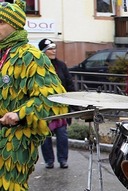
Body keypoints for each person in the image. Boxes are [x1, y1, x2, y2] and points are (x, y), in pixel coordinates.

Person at [0, 1, 68, 190]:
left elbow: (53, 99)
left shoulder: (32, 56)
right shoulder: (2, 54)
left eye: (0, 22)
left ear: (15, 25)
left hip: (16, 139)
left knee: (9, 185)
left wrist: (19, 114)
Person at [38, 38, 74, 169]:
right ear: (44, 51)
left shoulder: (61, 66)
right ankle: (49, 161)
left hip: (61, 108)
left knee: (62, 134)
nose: (54, 51)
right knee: (45, 136)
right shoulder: (38, 65)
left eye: (54, 48)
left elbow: (69, 84)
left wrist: (73, 105)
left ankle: (63, 159)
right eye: (50, 49)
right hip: (44, 107)